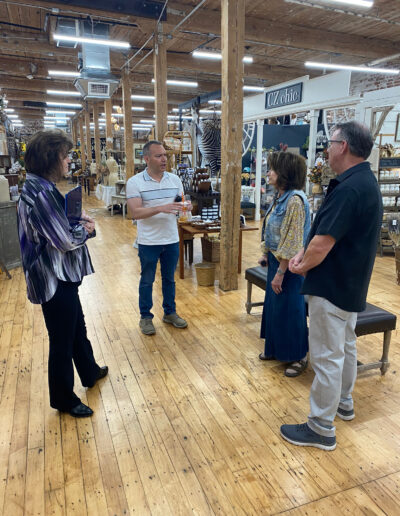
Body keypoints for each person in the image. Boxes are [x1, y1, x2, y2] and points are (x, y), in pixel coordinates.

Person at [281, 121, 382, 451]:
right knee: (346, 346)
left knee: (327, 356)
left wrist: (299, 265)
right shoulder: (364, 181)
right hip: (350, 284)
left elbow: (323, 243)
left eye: (331, 142)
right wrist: (304, 253)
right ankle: (344, 402)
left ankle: (321, 427)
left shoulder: (350, 188)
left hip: (332, 284)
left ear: (345, 147)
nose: (326, 148)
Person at [17, 129, 108, 418]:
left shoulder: (38, 186)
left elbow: (54, 228)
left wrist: (74, 218)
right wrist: (87, 229)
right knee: (61, 340)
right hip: (51, 278)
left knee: (75, 326)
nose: (69, 160)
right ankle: (63, 399)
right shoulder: (42, 193)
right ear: (50, 158)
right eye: (65, 155)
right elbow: (64, 241)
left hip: (59, 276)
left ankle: (89, 370)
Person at [126, 140, 189, 336]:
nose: (164, 159)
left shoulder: (175, 180)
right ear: (146, 159)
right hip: (149, 242)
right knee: (147, 280)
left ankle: (170, 313)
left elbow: (181, 205)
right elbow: (134, 213)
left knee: (169, 279)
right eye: (158, 156)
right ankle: (145, 317)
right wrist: (161, 207)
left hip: (171, 239)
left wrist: (186, 208)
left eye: (165, 155)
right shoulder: (135, 182)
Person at [259, 151, 311, 376]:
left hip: (288, 265)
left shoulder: (296, 201)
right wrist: (265, 253)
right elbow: (273, 229)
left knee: (290, 309)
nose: (268, 173)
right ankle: (275, 349)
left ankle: (297, 356)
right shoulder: (281, 196)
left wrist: (280, 272)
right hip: (276, 260)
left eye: (273, 169)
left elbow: (292, 240)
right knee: (275, 307)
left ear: (285, 173)